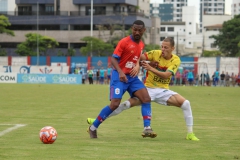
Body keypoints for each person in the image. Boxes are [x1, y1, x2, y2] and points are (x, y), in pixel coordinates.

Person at [87, 37, 199, 141]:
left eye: (166, 47)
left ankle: (190, 134)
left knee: (186, 104)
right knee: (124, 105)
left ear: (172, 48)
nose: (163, 49)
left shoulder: (176, 60)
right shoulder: (155, 53)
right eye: (162, 46)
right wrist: (139, 65)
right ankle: (98, 120)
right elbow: (138, 57)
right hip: (147, 89)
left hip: (163, 91)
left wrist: (150, 67)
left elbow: (166, 75)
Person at [87, 20, 156, 139]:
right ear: (132, 29)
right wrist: (120, 72)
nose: (137, 32)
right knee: (114, 104)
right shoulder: (124, 42)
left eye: (140, 30)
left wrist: (146, 63)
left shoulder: (141, 45)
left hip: (132, 78)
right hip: (119, 77)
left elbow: (136, 58)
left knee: (146, 98)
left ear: (144, 31)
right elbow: (113, 59)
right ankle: (93, 127)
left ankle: (147, 128)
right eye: (135, 29)